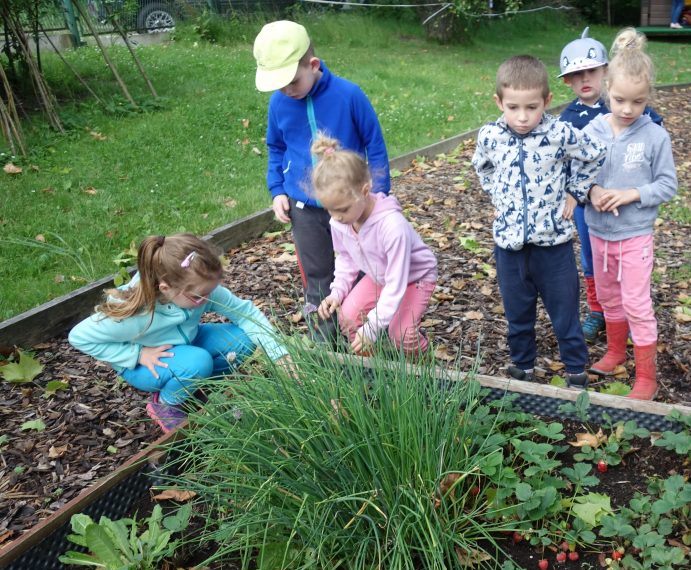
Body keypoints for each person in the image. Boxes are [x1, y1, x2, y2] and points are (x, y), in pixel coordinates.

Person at [472, 55, 606, 388]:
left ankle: (576, 372)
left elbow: (596, 152)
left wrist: (576, 190)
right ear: (499, 102)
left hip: (554, 246)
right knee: (518, 314)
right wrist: (499, 196)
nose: (522, 117)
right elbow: (482, 166)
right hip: (510, 247)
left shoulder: (560, 132)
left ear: (546, 101)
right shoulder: (490, 136)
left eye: (531, 107)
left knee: (564, 314)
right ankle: (523, 369)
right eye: (513, 107)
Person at [69, 234, 290, 434]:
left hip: (186, 345)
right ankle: (166, 403)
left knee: (241, 341)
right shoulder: (136, 314)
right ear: (166, 288)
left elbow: (245, 313)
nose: (207, 299)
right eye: (200, 296)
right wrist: (137, 354)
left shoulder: (198, 289)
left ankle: (193, 387)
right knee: (198, 362)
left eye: (210, 292)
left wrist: (280, 355)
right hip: (148, 364)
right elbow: (79, 337)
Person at [254, 20, 390, 344]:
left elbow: (376, 145)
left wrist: (380, 197)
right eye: (279, 85)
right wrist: (277, 190)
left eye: (292, 81)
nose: (287, 90)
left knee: (361, 272)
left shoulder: (349, 95)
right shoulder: (279, 103)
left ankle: (367, 338)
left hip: (352, 206)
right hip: (305, 208)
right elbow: (276, 147)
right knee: (317, 278)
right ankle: (326, 348)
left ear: (312, 65)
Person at [582, 28, 678, 401]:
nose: (626, 109)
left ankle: (646, 376)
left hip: (635, 234)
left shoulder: (655, 137)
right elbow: (577, 176)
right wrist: (592, 191)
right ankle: (616, 352)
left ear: (647, 98)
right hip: (597, 232)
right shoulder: (592, 130)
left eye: (637, 102)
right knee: (607, 296)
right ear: (606, 89)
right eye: (619, 99)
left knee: (637, 302)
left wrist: (631, 193)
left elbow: (667, 185)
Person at [557, 28, 664, 342]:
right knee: (593, 257)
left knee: (628, 257)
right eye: (576, 75)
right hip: (587, 203)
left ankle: (629, 309)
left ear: (606, 72)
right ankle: (598, 309)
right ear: (567, 81)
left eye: (591, 71)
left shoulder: (619, 104)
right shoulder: (569, 118)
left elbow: (652, 126)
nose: (584, 79)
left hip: (627, 203)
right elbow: (565, 163)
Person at [311, 134, 438, 356]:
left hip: (413, 278)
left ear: (365, 190)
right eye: (330, 210)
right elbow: (346, 257)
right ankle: (373, 370)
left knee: (402, 334)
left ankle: (424, 372)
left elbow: (396, 283)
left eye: (342, 209)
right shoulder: (340, 221)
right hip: (379, 275)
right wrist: (336, 293)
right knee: (348, 318)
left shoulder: (392, 227)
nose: (336, 218)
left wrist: (371, 328)